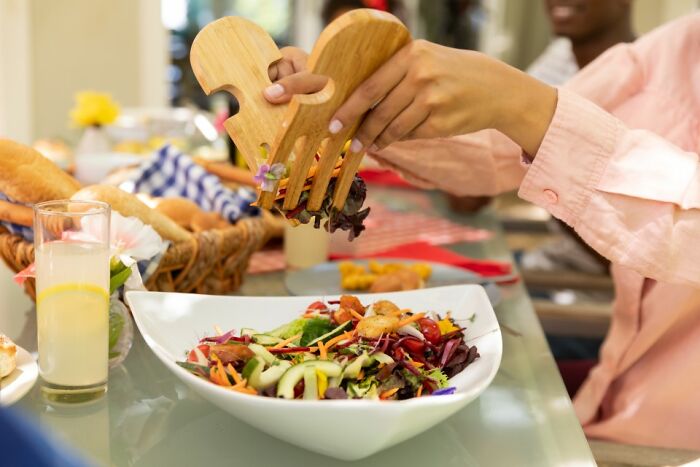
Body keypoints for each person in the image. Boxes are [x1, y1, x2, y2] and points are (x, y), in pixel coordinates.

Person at [263, 13, 700, 450]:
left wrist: (523, 103)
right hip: (605, 400)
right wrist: (354, 101)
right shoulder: (667, 49)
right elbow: (498, 154)